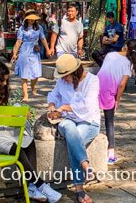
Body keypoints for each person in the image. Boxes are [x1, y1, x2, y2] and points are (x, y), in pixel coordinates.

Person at [0, 60, 62, 203]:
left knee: (27, 141)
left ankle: (31, 186)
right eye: (3, 81)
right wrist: (12, 115)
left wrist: (17, 115)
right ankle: (40, 185)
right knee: (15, 148)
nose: (5, 84)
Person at [47, 54, 100, 203]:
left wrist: (64, 107)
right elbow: (53, 95)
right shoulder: (61, 82)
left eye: (66, 76)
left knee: (74, 139)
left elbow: (88, 107)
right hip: (67, 120)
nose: (63, 79)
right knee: (70, 129)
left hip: (89, 121)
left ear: (75, 72)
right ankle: (85, 166)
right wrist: (52, 106)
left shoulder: (92, 81)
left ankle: (79, 189)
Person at [97, 39, 136, 165]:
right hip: (110, 91)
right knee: (109, 122)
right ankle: (110, 154)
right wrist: (118, 100)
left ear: (125, 47)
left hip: (96, 87)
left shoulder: (110, 55)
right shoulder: (128, 64)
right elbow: (122, 85)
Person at [12, 11, 52, 102]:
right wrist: (15, 53)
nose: (32, 20)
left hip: (35, 50)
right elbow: (18, 41)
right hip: (24, 50)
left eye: (33, 18)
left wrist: (48, 49)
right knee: (24, 73)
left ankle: (33, 87)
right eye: (30, 18)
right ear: (26, 18)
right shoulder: (22, 28)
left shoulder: (39, 28)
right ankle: (25, 94)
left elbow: (43, 39)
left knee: (36, 72)